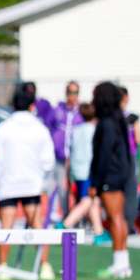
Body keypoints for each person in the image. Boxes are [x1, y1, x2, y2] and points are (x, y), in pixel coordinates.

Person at [0, 83, 56, 280]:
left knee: (6, 227)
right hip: (31, 184)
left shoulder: (2, 128)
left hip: (8, 184)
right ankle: (44, 266)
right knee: (37, 226)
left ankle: (2, 268)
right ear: (32, 106)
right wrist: (42, 179)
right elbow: (48, 160)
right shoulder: (40, 129)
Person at [90, 81, 133, 278]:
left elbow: (103, 154)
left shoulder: (107, 123)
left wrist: (95, 182)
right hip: (119, 174)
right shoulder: (117, 120)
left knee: (114, 217)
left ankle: (119, 262)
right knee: (119, 218)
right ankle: (123, 262)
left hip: (110, 175)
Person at [56, 103, 111, 246]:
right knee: (88, 200)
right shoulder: (95, 131)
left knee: (93, 201)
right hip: (89, 170)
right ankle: (66, 224)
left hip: (77, 170)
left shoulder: (76, 130)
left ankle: (99, 232)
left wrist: (69, 173)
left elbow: (70, 151)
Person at [48, 81, 83, 219]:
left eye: (75, 93)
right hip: (60, 157)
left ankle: (78, 217)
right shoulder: (58, 110)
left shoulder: (81, 113)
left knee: (78, 189)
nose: (72, 96)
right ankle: (65, 215)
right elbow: (49, 127)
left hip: (76, 158)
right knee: (62, 188)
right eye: (70, 92)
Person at [119, 86, 140, 234]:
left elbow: (139, 139)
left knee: (129, 191)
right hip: (122, 158)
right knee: (125, 191)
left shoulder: (131, 118)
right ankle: (124, 223)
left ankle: (128, 223)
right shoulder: (115, 117)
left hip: (128, 157)